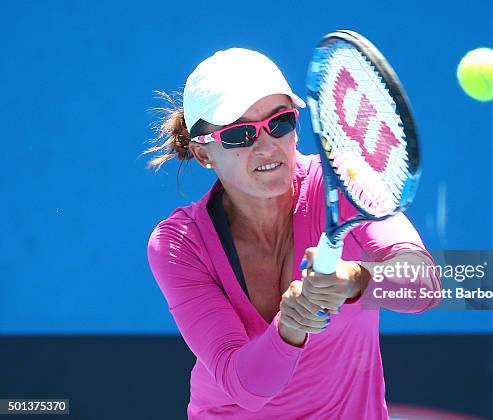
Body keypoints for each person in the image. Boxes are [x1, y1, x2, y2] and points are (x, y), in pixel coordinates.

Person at [144, 48, 440, 419]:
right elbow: (246, 387)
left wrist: (356, 280)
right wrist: (291, 325)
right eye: (240, 134)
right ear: (204, 154)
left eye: (280, 123)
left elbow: (424, 286)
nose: (267, 145)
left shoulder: (342, 179)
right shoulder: (179, 243)